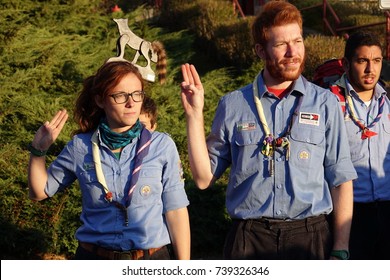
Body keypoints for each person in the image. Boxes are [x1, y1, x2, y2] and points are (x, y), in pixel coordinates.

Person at [180, 0, 357, 260]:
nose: (292, 52)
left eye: (297, 41)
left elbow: (340, 178)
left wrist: (341, 248)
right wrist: (194, 116)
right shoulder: (233, 105)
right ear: (260, 51)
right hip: (249, 240)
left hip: (310, 238)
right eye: (281, 45)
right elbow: (203, 178)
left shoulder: (325, 102)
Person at [28, 60, 190, 260]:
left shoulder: (161, 145)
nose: (131, 103)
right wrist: (38, 151)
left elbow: (176, 211)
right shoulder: (80, 146)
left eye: (137, 94)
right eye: (120, 95)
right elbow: (40, 192)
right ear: (100, 100)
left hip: (151, 259)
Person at [331, 31, 390, 260]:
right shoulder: (331, 102)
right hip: (349, 214)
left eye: (376, 61)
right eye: (362, 61)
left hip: (387, 210)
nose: (370, 70)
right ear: (346, 64)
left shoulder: (387, 102)